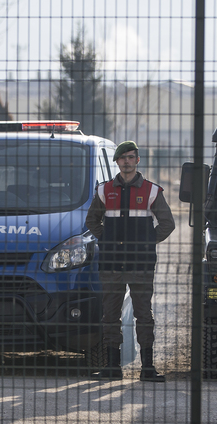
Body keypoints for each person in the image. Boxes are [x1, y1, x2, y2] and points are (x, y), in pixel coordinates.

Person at [85, 141, 176, 382]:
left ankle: (147, 368)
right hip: (112, 264)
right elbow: (92, 221)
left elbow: (167, 224)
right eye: (123, 157)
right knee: (110, 316)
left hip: (141, 264)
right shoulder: (104, 191)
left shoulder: (152, 191)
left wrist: (147, 243)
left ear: (137, 161)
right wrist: (107, 240)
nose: (127, 161)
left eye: (131, 157)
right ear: (117, 161)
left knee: (144, 316)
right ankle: (113, 367)